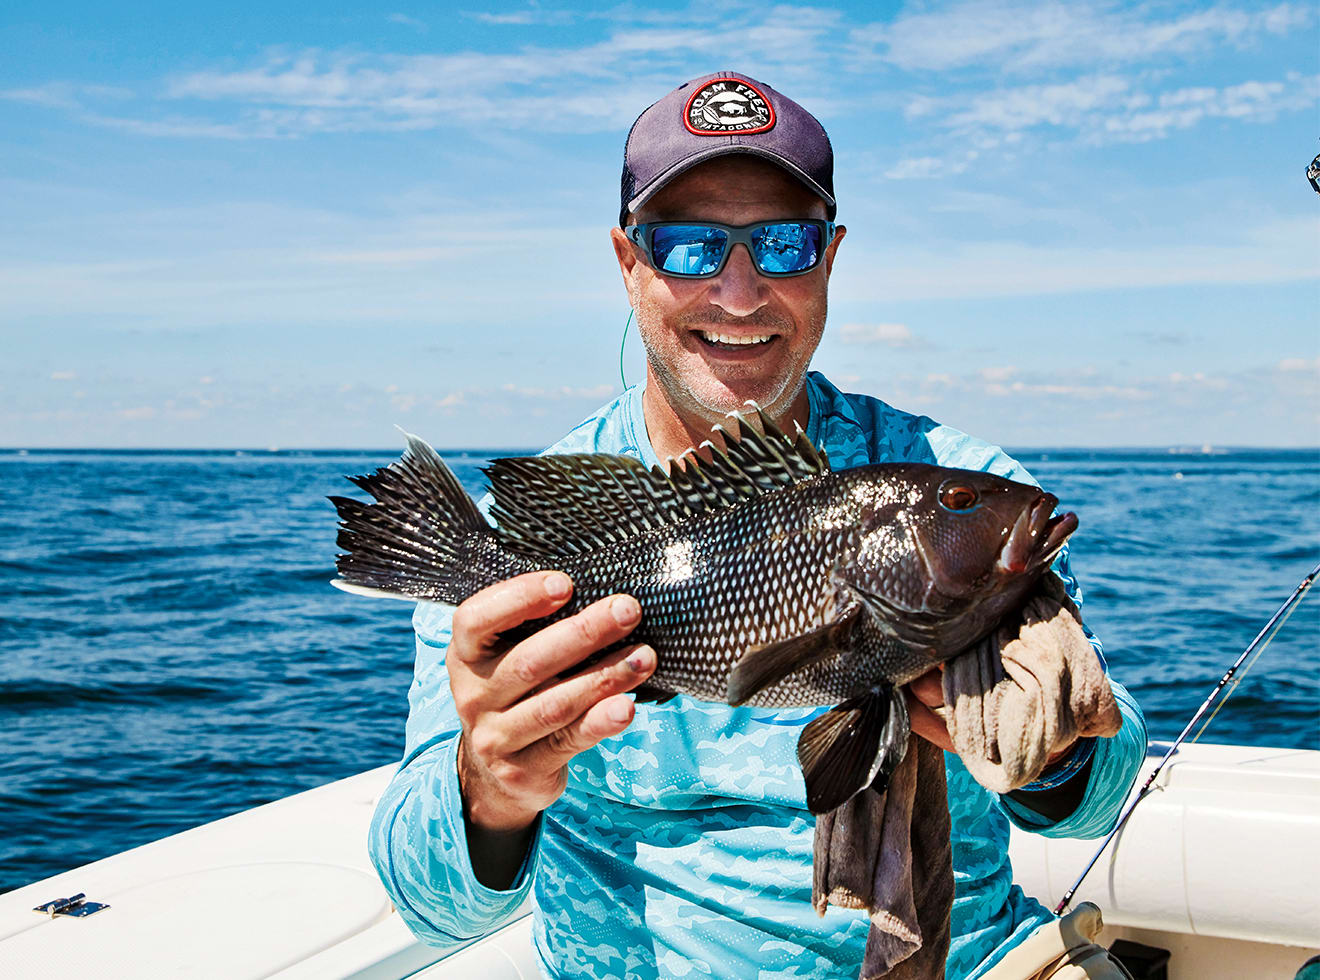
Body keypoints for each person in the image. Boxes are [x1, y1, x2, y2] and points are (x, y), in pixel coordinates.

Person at [367, 72, 1147, 979]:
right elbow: (426, 903)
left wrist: (1054, 754)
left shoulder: (968, 480)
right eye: (691, 247)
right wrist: (489, 785)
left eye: (782, 245)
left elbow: (1103, 793)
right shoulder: (519, 555)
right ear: (629, 263)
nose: (740, 293)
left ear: (830, 258)